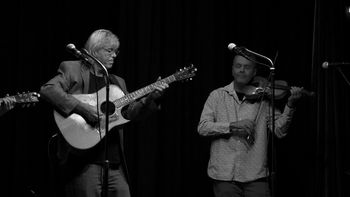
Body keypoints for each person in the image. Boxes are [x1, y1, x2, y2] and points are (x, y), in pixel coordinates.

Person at [40, 29, 168, 197]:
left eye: (116, 51)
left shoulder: (117, 82)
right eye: (109, 51)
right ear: (94, 50)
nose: (114, 55)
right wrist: (83, 108)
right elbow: (48, 90)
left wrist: (151, 98)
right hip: (84, 164)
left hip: (115, 165)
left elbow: (130, 114)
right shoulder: (73, 69)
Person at [197, 47, 304, 197]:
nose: (242, 70)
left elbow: (280, 131)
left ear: (254, 72)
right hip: (224, 177)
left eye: (247, 67)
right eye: (238, 66)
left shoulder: (264, 99)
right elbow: (203, 128)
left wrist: (290, 105)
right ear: (232, 69)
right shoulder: (217, 96)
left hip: (256, 177)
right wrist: (232, 126)